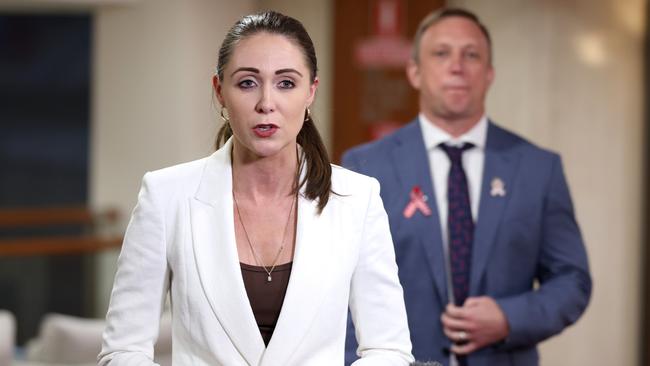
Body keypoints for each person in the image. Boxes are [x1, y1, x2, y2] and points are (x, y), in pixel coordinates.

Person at [98, 11, 414, 366]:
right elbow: (123, 350)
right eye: (248, 82)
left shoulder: (358, 198)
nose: (266, 103)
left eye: (286, 83)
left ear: (311, 92)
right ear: (220, 91)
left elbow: (388, 349)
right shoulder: (166, 195)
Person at [343, 8, 591, 366]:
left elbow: (572, 281)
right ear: (414, 72)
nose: (457, 66)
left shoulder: (538, 168)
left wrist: (510, 318)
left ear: (489, 74)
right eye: (441, 53)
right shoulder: (365, 167)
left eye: (471, 55)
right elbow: (342, 289)